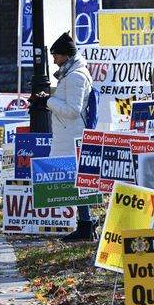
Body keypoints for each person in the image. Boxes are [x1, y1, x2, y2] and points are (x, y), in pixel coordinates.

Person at [28, 32, 94, 242]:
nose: (55, 61)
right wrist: (48, 100)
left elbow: (73, 110)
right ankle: (86, 223)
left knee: (77, 181)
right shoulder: (72, 73)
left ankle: (86, 224)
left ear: (67, 55)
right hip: (69, 133)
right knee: (77, 181)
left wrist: (47, 102)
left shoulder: (75, 76)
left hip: (72, 134)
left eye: (56, 57)